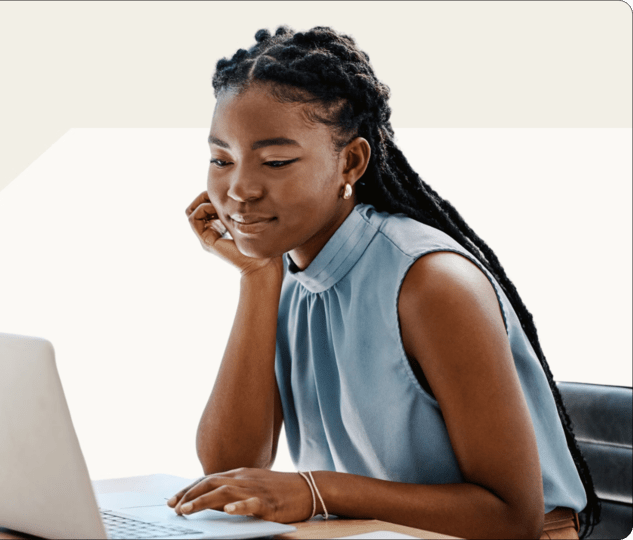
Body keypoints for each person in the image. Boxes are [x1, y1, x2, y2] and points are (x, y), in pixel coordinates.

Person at [167, 26, 599, 539]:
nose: (238, 190)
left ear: (350, 161)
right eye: (221, 159)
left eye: (276, 162)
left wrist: (316, 491)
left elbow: (512, 516)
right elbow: (229, 469)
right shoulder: (287, 272)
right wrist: (258, 279)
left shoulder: (431, 283)